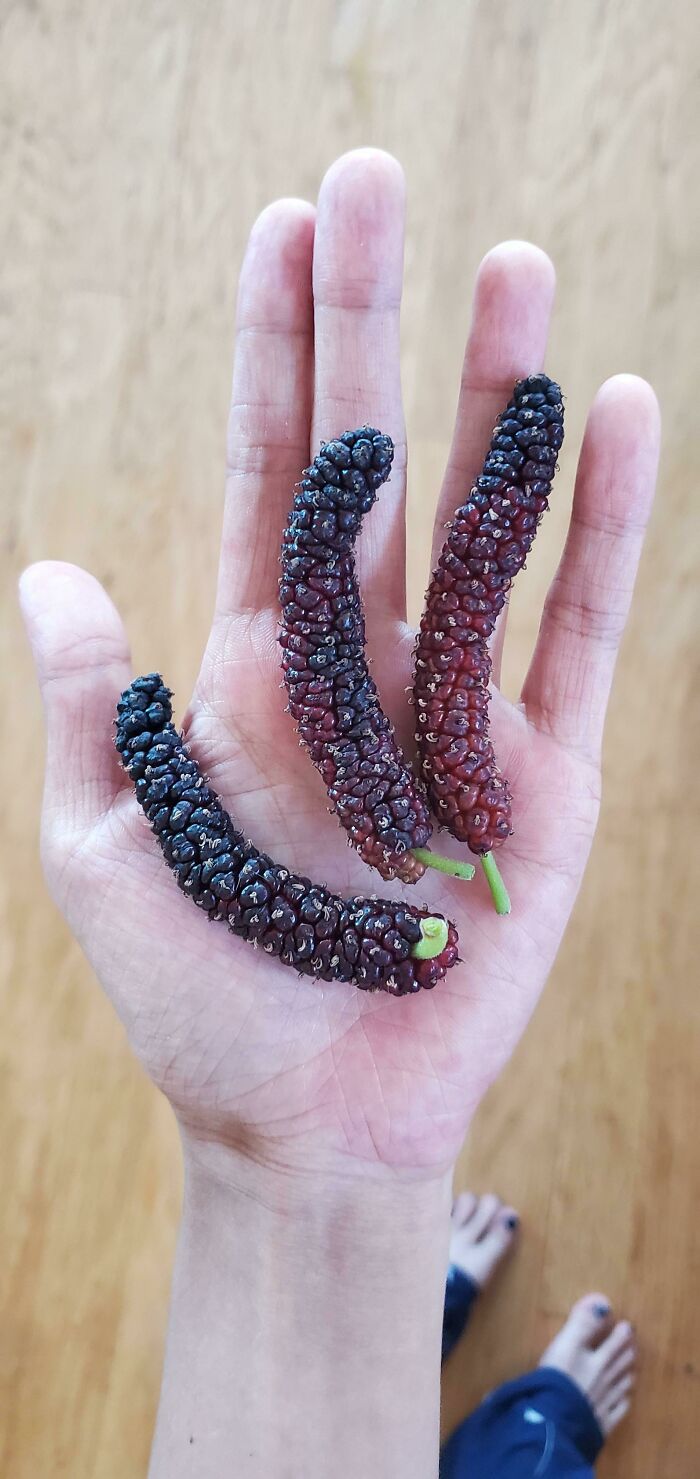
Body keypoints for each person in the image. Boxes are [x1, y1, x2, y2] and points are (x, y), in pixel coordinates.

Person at [19, 149, 659, 1477]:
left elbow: (293, 763)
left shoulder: (423, 832)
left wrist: (296, 1178)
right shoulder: (423, 838)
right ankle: (473, 1342)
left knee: (374, 654)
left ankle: (432, 1286)